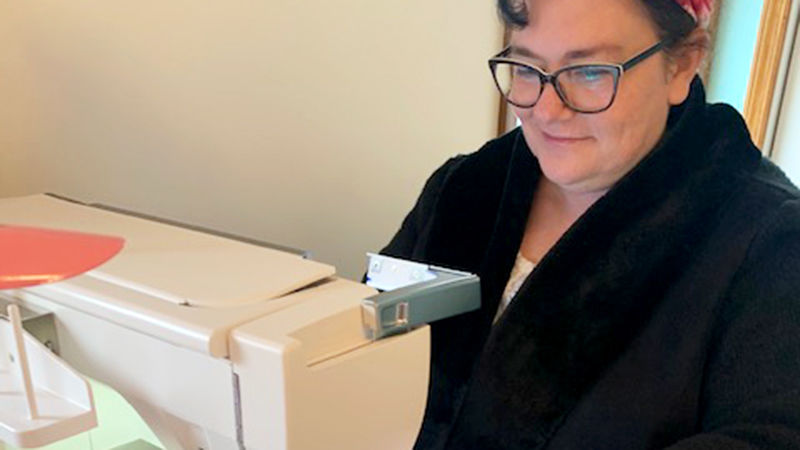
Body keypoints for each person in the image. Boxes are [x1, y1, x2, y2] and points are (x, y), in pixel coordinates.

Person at [379, 0, 800, 448]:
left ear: (682, 65)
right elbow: (365, 344)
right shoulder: (462, 189)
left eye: (590, 72)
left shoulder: (769, 245)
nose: (547, 111)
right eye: (526, 67)